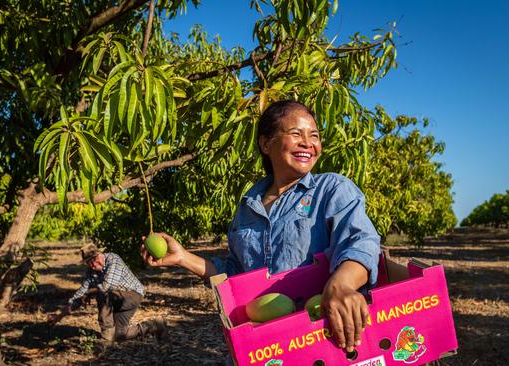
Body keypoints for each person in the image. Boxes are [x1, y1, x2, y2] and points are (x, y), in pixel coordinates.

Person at [140, 100, 380, 353]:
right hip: (272, 345)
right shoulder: (247, 207)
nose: (308, 143)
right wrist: (183, 258)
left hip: (328, 336)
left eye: (315, 136)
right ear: (266, 144)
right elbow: (237, 275)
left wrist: (341, 284)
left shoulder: (332, 189)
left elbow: (360, 242)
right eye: (296, 133)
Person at [52, 243, 167, 345]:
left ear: (99, 255)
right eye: (88, 263)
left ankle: (106, 336)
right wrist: (59, 316)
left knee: (102, 292)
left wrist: (90, 292)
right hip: (116, 299)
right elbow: (81, 293)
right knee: (120, 335)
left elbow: (107, 286)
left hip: (133, 295)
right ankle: (155, 325)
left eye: (92, 260)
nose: (91, 265)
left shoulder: (113, 259)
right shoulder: (91, 271)